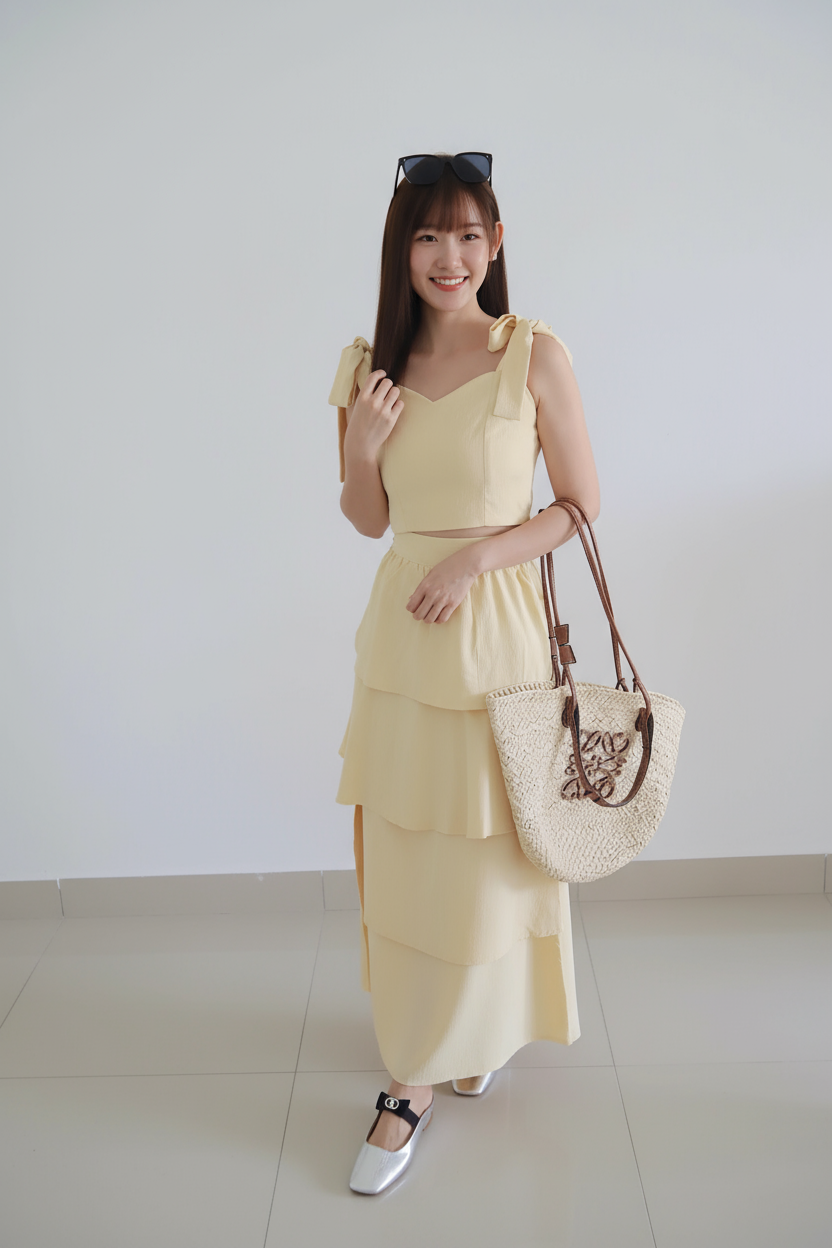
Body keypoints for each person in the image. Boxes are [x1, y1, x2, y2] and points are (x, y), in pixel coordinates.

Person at [327, 152, 600, 1195]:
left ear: (497, 243)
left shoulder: (534, 354)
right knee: (407, 846)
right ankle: (412, 1077)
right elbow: (367, 519)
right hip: (405, 635)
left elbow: (578, 504)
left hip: (494, 628)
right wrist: (362, 446)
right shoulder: (368, 367)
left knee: (489, 852)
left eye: (469, 235)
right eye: (429, 236)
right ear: (401, 249)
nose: (451, 256)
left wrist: (476, 559)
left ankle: (472, 1031)